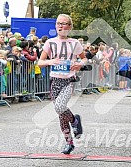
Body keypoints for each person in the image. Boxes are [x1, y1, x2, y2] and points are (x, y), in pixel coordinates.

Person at [38, 14, 87, 154]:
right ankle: (69, 142)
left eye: (64, 23)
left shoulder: (75, 43)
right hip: (55, 80)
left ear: (69, 27)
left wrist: (79, 64)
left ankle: (74, 121)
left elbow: (84, 59)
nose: (60, 26)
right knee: (60, 113)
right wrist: (49, 61)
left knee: (60, 107)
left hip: (68, 80)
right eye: (58, 23)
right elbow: (40, 63)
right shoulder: (50, 43)